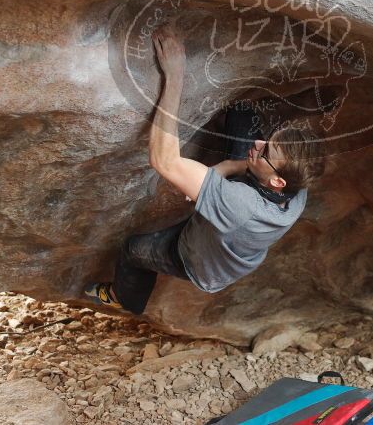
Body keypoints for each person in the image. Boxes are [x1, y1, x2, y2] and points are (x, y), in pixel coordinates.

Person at [84, 24, 326, 314]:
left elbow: (165, 161)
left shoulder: (239, 204)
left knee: (131, 250)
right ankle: (285, 114)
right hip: (241, 212)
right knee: (243, 115)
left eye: (266, 150)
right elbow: (255, 166)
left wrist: (174, 76)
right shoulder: (297, 191)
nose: (258, 143)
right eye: (269, 140)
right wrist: (226, 166)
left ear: (276, 181)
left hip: (198, 260)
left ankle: (126, 299)